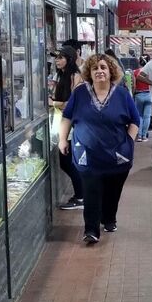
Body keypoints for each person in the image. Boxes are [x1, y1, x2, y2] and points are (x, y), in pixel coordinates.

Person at [58, 54, 140, 244]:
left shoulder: (122, 94)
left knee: (113, 191)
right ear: (89, 72)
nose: (99, 71)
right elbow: (67, 117)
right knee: (91, 191)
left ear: (111, 71)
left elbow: (135, 120)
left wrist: (129, 141)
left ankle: (109, 218)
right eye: (95, 68)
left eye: (103, 67)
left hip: (117, 155)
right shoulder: (79, 93)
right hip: (88, 154)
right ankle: (91, 230)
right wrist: (63, 139)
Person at [50, 46, 85, 210]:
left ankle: (81, 197)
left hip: (70, 127)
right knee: (67, 162)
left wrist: (53, 103)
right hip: (62, 124)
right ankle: (80, 195)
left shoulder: (75, 77)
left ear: (69, 59)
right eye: (56, 58)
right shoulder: (63, 76)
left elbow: (73, 104)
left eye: (61, 57)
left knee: (68, 162)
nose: (57, 60)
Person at [133, 55, 152, 142]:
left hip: (139, 95)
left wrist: (133, 94)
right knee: (147, 116)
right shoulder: (150, 72)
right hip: (148, 95)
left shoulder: (135, 72)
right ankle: (144, 136)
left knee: (139, 116)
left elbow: (133, 86)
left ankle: (139, 136)